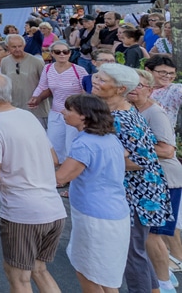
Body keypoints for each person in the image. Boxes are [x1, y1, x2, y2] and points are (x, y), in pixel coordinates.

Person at [0, 72, 67, 293]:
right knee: (39, 270)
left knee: (18, 277)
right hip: (54, 209)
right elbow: (54, 158)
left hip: (23, 213)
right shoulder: (28, 117)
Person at [91, 63, 172, 293]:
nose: (96, 81)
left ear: (119, 89)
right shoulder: (120, 110)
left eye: (102, 80)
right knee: (136, 252)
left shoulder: (121, 118)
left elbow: (139, 161)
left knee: (131, 254)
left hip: (138, 194)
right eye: (97, 77)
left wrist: (96, 165)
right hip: (137, 192)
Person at [54, 94, 131, 293]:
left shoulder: (85, 143)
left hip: (95, 218)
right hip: (116, 213)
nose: (64, 112)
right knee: (106, 277)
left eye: (69, 110)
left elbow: (60, 178)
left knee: (87, 273)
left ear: (84, 116)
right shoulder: (109, 138)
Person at [129, 69, 182, 292]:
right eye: (130, 84)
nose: (134, 89)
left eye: (139, 85)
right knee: (146, 237)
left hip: (165, 180)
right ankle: (163, 277)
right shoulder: (133, 109)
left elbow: (168, 150)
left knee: (152, 235)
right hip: (148, 179)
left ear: (150, 90)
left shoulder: (155, 113)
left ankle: (164, 283)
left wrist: (130, 149)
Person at [28, 40, 88, 162]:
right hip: (56, 112)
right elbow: (42, 86)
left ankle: (70, 174)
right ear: (52, 54)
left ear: (70, 54)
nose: (62, 54)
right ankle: (58, 171)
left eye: (65, 52)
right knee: (54, 143)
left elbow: (86, 91)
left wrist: (84, 112)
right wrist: (35, 97)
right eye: (58, 52)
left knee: (71, 144)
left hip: (74, 112)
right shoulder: (48, 68)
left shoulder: (79, 70)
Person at [0, 34, 48, 121]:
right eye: (14, 47)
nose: (17, 49)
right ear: (7, 47)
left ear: (24, 46)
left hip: (35, 110)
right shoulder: (4, 62)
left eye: (20, 46)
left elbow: (47, 85)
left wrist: (39, 98)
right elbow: (4, 84)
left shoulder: (37, 62)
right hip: (14, 108)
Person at [145, 55, 182, 119]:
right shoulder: (137, 87)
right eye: (162, 72)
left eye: (171, 73)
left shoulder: (174, 90)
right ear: (148, 70)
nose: (168, 76)